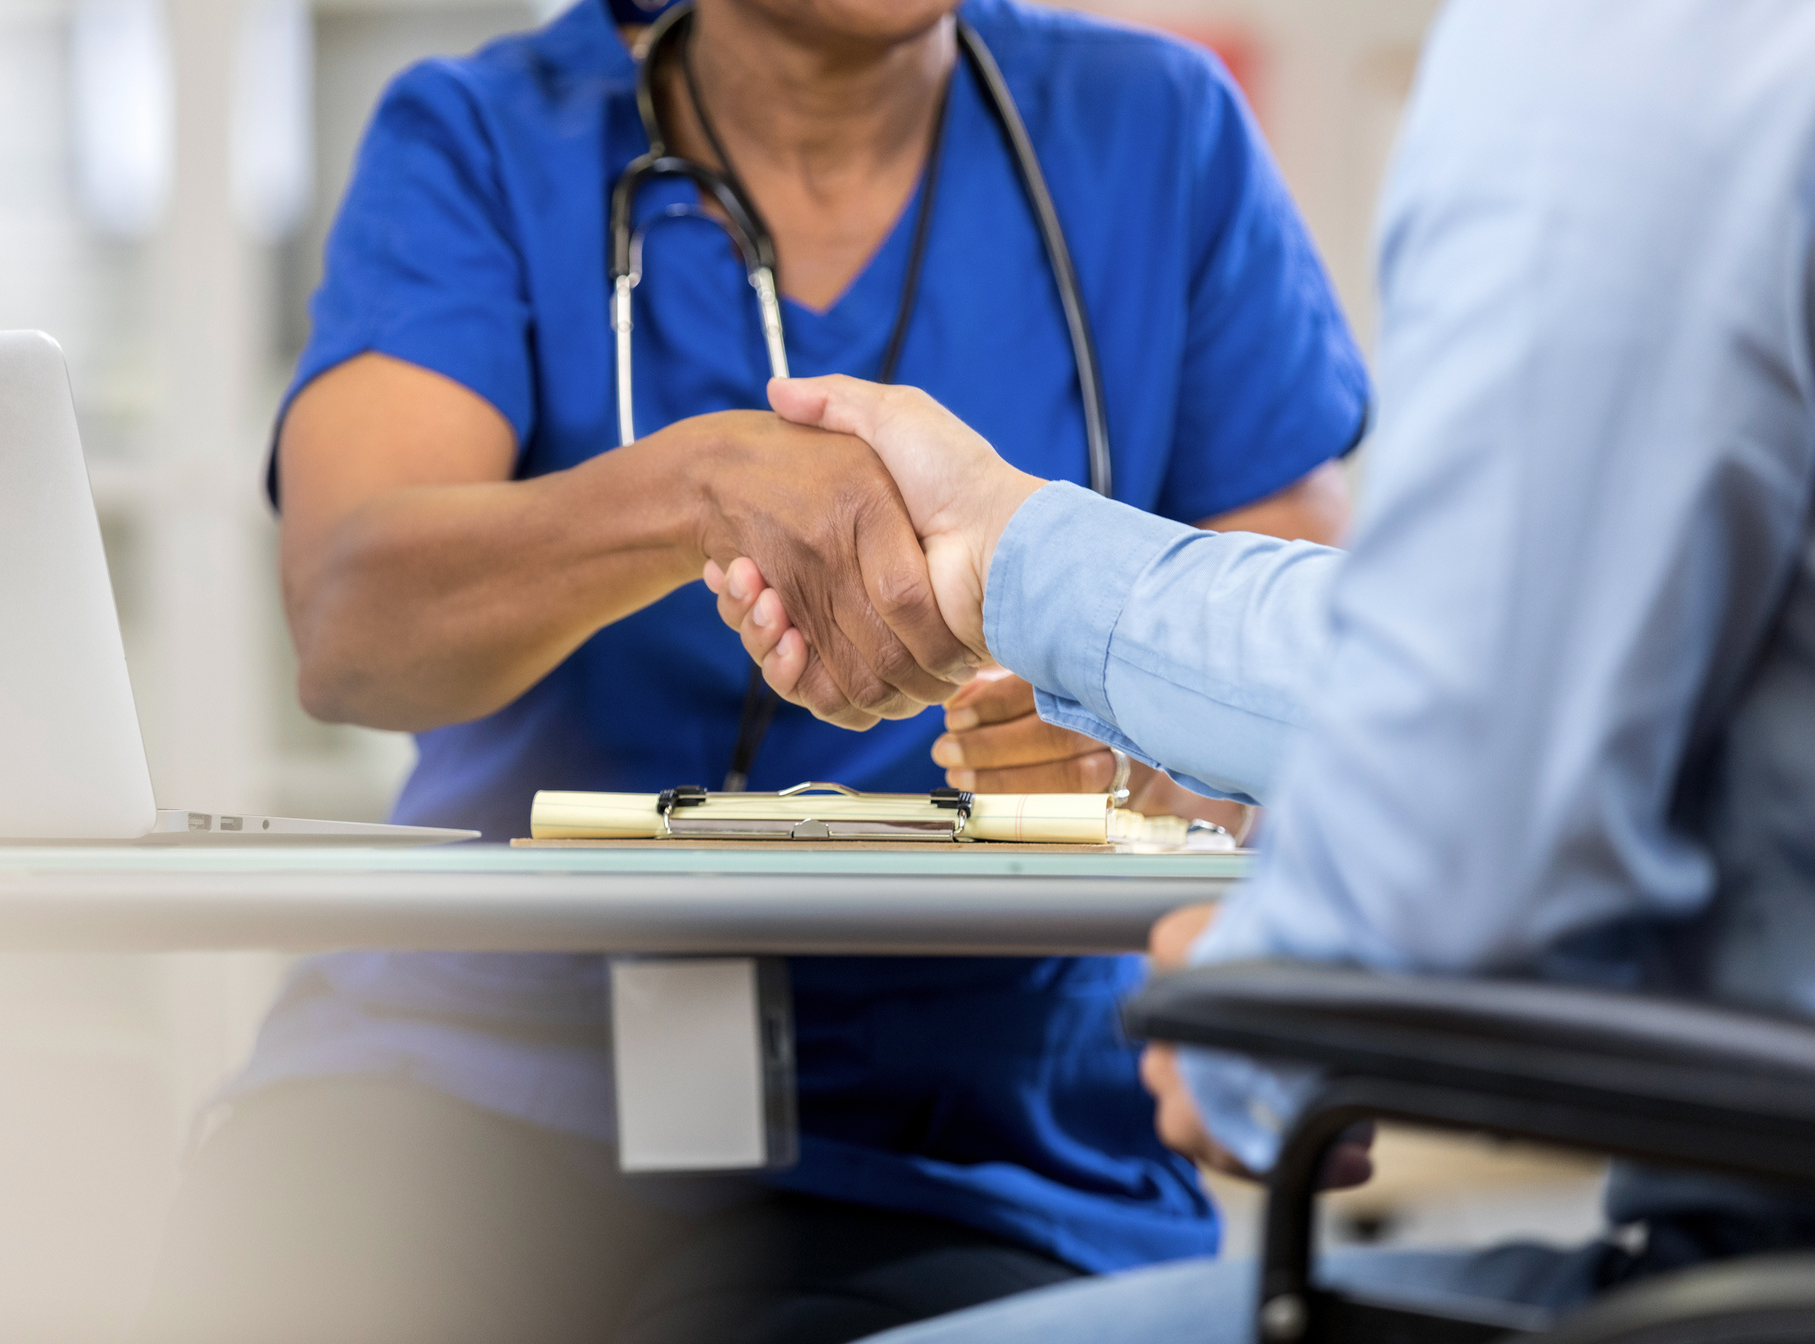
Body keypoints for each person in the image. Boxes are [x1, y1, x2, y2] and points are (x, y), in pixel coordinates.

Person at [136, 0, 1370, 1341]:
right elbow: (350, 622)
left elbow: (1307, 674)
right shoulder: (489, 136)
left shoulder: (1157, 133)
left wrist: (1136, 757)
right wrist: (698, 484)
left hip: (974, 1127)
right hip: (476, 1061)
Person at [707, 0, 1815, 1337]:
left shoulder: (1620, 51)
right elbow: (1467, 647)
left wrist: (1259, 1011)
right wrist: (1011, 555)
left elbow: (1469, 813)